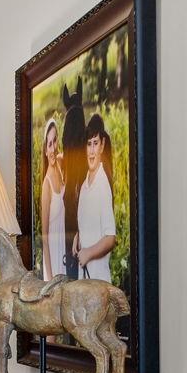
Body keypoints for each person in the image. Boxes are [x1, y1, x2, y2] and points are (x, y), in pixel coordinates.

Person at [74, 112, 118, 281]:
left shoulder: (102, 185)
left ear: (102, 145)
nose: (91, 151)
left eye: (95, 144)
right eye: (88, 144)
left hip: (99, 282)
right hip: (85, 280)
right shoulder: (85, 185)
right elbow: (90, 220)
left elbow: (110, 238)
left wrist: (88, 254)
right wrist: (79, 235)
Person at [37, 117, 72, 280]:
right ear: (45, 150)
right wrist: (49, 277)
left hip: (66, 251)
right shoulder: (47, 184)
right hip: (53, 256)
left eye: (54, 141)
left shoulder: (61, 162)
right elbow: (44, 237)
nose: (52, 149)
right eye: (49, 144)